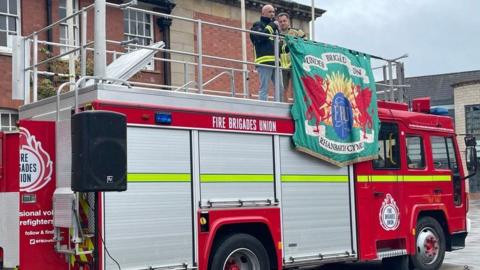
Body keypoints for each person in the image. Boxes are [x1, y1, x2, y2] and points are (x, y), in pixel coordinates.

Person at [250, 4, 283, 101]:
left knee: (280, 88)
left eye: (273, 12)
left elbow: (279, 46)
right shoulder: (258, 25)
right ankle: (263, 109)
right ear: (263, 13)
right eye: (270, 12)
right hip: (264, 63)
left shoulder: (274, 29)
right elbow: (260, 37)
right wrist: (272, 26)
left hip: (276, 63)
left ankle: (278, 109)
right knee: (264, 88)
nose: (272, 14)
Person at [277, 12, 306, 102]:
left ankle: (297, 105)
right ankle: (284, 105)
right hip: (283, 66)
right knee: (283, 88)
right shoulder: (276, 35)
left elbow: (305, 43)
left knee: (296, 87)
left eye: (284, 21)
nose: (282, 23)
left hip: (294, 64)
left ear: (288, 21)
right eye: (280, 21)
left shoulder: (296, 32)